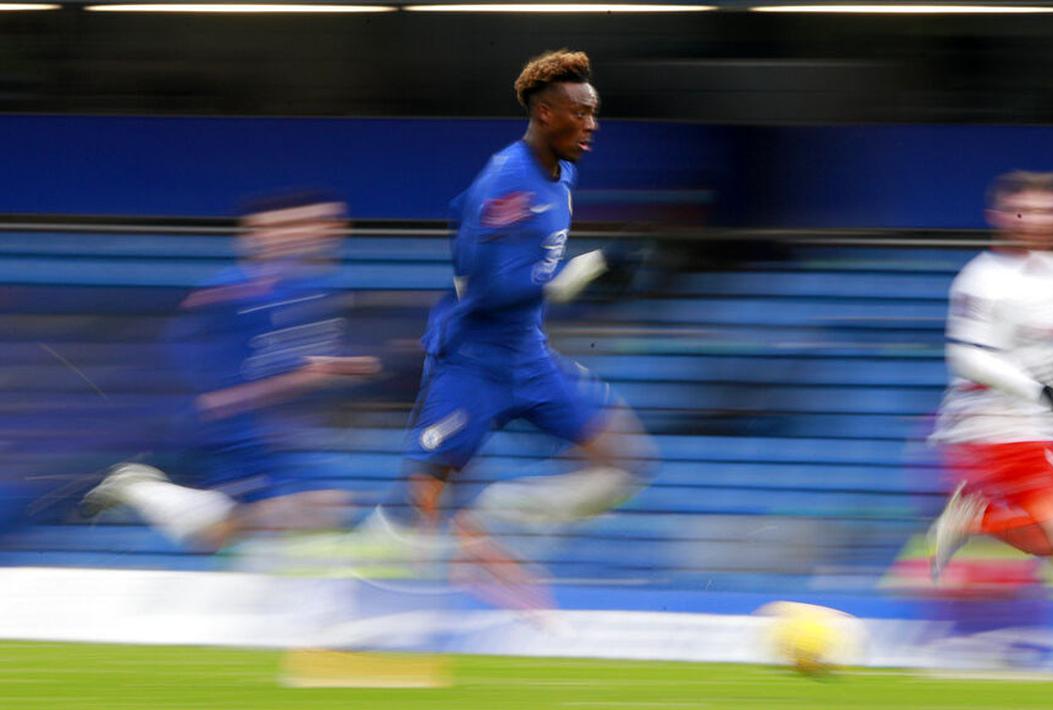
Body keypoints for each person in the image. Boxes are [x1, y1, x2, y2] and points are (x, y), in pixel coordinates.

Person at [375, 50, 655, 596]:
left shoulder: (562, 174)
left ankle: (497, 514)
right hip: (473, 360)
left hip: (528, 354)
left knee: (622, 463)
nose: (592, 124)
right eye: (581, 112)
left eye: (595, 112)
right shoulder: (506, 182)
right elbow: (485, 289)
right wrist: (584, 272)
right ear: (546, 114)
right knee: (424, 495)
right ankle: (393, 602)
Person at [81, 193, 380, 551]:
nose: (317, 232)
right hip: (238, 433)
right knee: (320, 511)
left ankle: (149, 491)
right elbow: (216, 396)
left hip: (285, 432)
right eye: (293, 224)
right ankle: (143, 489)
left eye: (326, 222)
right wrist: (308, 376)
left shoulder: (322, 287)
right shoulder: (230, 295)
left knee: (284, 524)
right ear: (256, 235)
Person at [928, 170, 1053, 583]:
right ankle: (977, 516)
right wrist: (1043, 392)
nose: (1042, 221)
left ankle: (978, 521)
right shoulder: (984, 279)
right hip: (994, 424)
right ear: (998, 216)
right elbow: (966, 357)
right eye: (1027, 213)